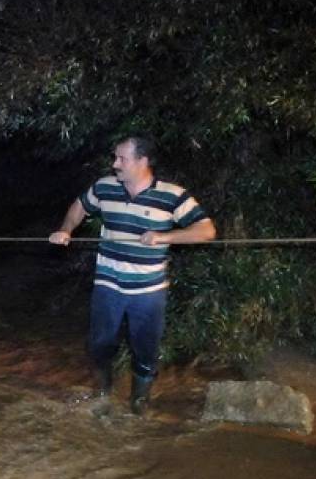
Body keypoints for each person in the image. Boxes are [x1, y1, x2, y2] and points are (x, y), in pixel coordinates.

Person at [49, 135, 216, 414]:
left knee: (145, 348)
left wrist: (165, 237)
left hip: (148, 290)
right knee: (100, 342)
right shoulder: (104, 187)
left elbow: (206, 231)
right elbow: (79, 207)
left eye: (121, 159)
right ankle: (102, 391)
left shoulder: (172, 195)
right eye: (115, 157)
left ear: (142, 161)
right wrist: (67, 229)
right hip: (108, 283)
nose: (115, 164)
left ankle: (139, 402)